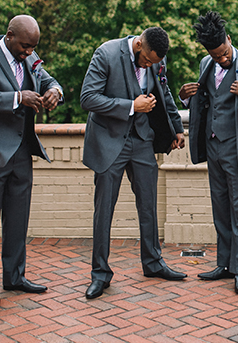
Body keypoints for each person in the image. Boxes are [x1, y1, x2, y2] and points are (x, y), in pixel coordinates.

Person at [0, 14, 63, 307]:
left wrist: (54, 91)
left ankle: (15, 277)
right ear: (9, 35)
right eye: (26, 46)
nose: (30, 52)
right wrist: (18, 98)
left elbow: (47, 78)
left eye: (33, 47)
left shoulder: (30, 56)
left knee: (18, 221)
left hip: (21, 151)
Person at [80, 27, 186, 299]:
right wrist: (131, 106)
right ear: (138, 44)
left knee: (148, 204)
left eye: (154, 63)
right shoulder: (105, 53)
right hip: (109, 141)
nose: (150, 65)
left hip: (141, 141)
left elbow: (165, 92)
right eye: (147, 60)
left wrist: (176, 128)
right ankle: (100, 274)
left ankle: (153, 263)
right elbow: (88, 98)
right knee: (104, 209)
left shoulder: (155, 59)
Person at [179, 11, 238, 295]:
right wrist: (185, 96)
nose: (220, 59)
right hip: (213, 147)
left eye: (223, 53)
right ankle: (224, 264)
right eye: (215, 55)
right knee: (220, 209)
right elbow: (205, 100)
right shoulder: (205, 64)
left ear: (229, 40)